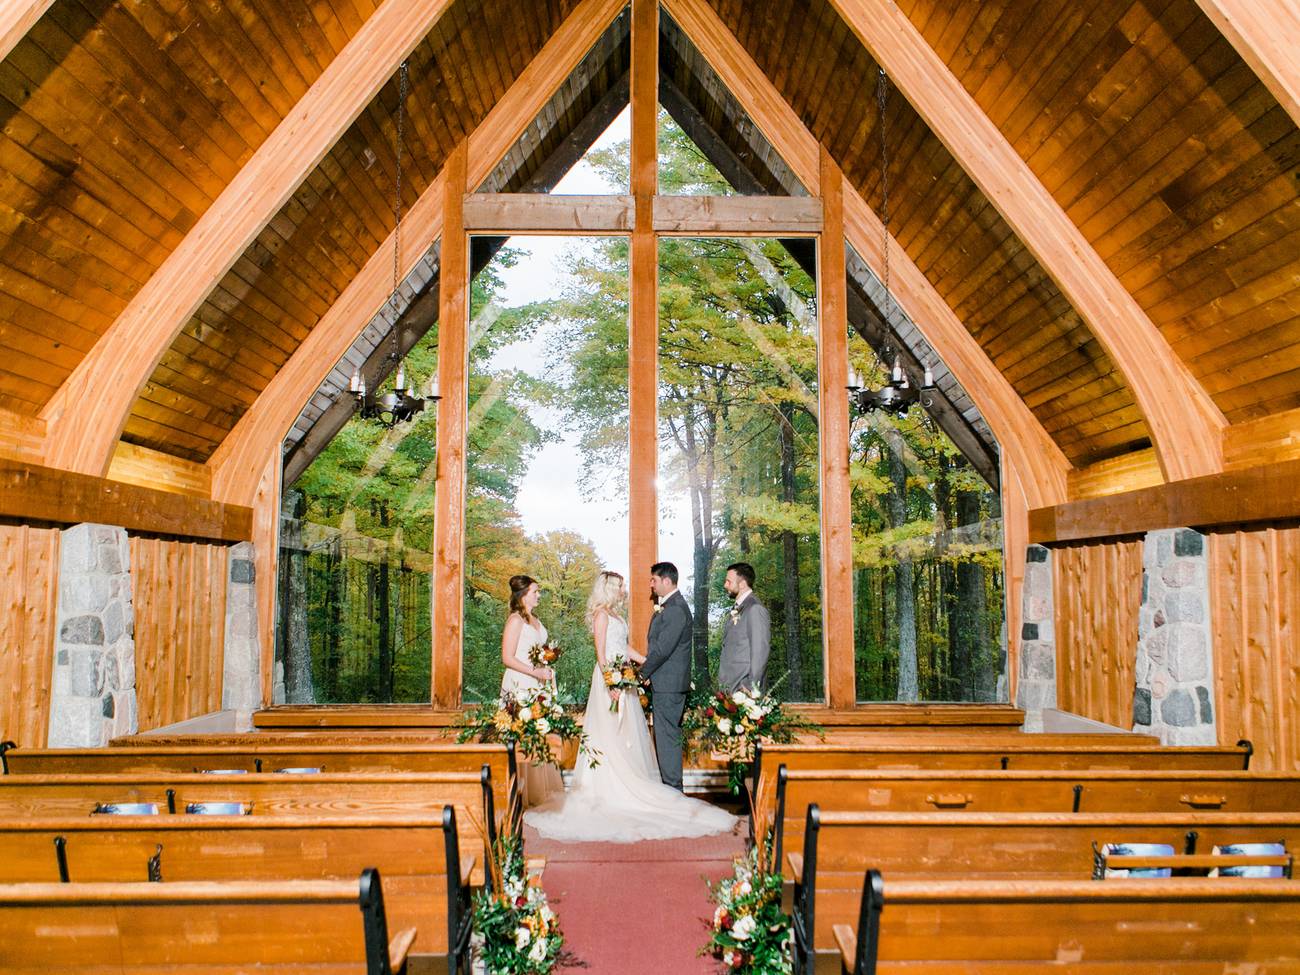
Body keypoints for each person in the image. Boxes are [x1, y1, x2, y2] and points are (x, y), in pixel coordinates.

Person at [524, 570, 735, 842]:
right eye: (621, 586)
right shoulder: (601, 614)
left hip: (625, 680)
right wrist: (611, 682)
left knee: (626, 736)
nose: (624, 590)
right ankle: (605, 789)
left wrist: (646, 665)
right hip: (609, 682)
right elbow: (601, 653)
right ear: (609, 588)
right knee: (609, 732)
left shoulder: (617, 616)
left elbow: (624, 648)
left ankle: (630, 782)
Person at [500, 574, 563, 807]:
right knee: (520, 736)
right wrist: (534, 671)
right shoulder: (515, 620)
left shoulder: (534, 619)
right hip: (519, 684)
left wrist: (545, 665)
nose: (539, 595)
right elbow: (507, 657)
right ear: (523, 595)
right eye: (535, 592)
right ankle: (519, 797)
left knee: (537, 735)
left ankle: (538, 793)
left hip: (537, 683)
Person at [641, 561, 693, 792]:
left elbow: (662, 649)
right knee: (665, 738)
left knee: (667, 739)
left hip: (669, 687)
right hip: (666, 684)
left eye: (654, 580)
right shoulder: (672, 606)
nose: (651, 585)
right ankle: (671, 789)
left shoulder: (675, 609)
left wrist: (641, 673)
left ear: (666, 581)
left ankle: (673, 792)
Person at [719, 561, 771, 694]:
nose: (725, 585)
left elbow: (760, 652)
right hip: (731, 689)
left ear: (742, 584)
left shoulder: (755, 608)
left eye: (729, 581)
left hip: (743, 691)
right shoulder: (739, 608)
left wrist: (749, 686)